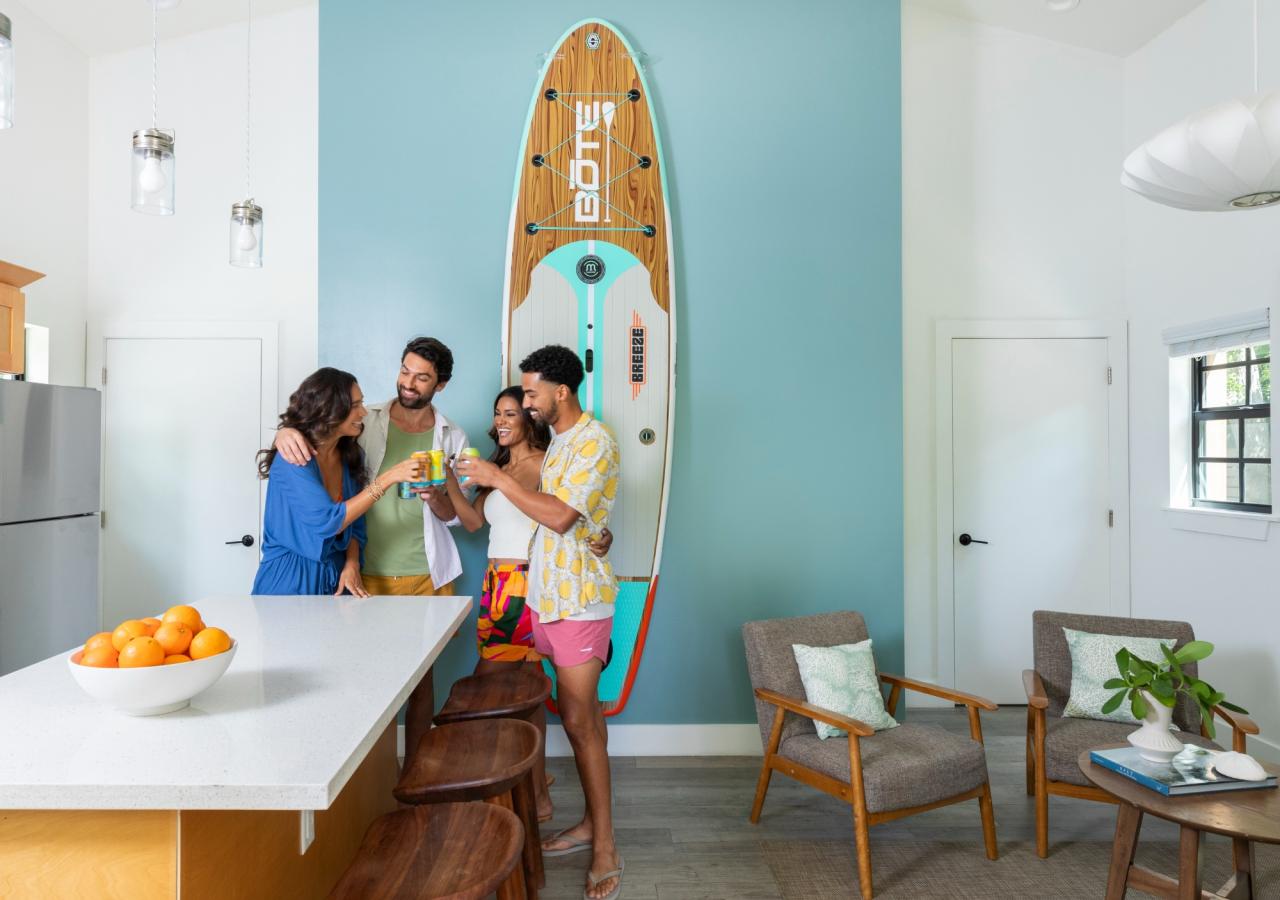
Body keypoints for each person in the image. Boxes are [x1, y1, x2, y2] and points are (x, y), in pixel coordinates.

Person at [457, 345, 623, 900]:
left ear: (561, 392)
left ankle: (605, 847)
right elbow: (577, 523)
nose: (524, 402)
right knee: (571, 717)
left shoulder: (594, 440)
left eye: (530, 393)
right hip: (543, 599)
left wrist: (495, 478)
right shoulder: (563, 447)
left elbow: (557, 515)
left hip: (578, 602)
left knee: (581, 723)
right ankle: (586, 826)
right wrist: (599, 532)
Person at [272, 337, 468, 761]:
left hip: (413, 571)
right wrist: (284, 429)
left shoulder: (449, 435)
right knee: (352, 680)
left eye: (422, 377)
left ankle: (412, 772)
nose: (408, 383)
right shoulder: (363, 424)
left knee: (419, 683)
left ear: (441, 384)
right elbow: (314, 449)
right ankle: (355, 774)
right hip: (351, 574)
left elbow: (458, 517)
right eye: (405, 371)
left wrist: (436, 499)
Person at [444, 385, 612, 824]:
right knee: (524, 694)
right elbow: (475, 522)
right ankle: (534, 792)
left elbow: (571, 517)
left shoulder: (546, 464)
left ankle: (528, 790)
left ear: (530, 419)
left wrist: (600, 538)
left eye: (511, 414)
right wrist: (445, 484)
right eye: (497, 413)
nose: (500, 421)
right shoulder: (500, 467)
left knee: (504, 691)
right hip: (497, 587)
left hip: (529, 584)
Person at [252, 368, 421, 596]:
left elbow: (355, 524)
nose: (363, 412)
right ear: (328, 410)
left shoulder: (350, 456)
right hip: (289, 580)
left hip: (337, 579)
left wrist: (352, 563)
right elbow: (327, 521)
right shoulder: (292, 458)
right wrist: (389, 477)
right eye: (355, 406)